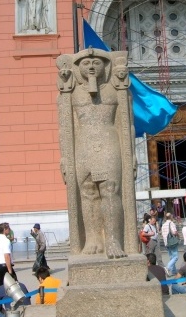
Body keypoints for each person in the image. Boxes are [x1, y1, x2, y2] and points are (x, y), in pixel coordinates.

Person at [57, 49, 138, 259]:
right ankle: (93, 239)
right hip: (82, 145)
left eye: (96, 62)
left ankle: (113, 240)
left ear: (106, 66)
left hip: (109, 142)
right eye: (85, 63)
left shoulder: (117, 90)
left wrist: (132, 154)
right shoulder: (70, 93)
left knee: (110, 190)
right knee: (88, 192)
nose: (91, 67)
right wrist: (65, 158)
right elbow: (65, 127)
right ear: (77, 68)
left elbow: (127, 124)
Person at [0, 222, 15, 289]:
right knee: (13, 286)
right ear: (4, 229)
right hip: (4, 266)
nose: (9, 230)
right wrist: (10, 271)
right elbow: (6, 256)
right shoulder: (6, 240)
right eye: (8, 228)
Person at [161, 212, 179, 277]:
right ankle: (168, 267)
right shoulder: (171, 223)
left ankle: (173, 271)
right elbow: (174, 232)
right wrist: (178, 235)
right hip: (172, 241)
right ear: (171, 217)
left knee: (171, 257)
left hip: (166, 242)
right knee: (176, 257)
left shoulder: (163, 225)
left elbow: (162, 234)